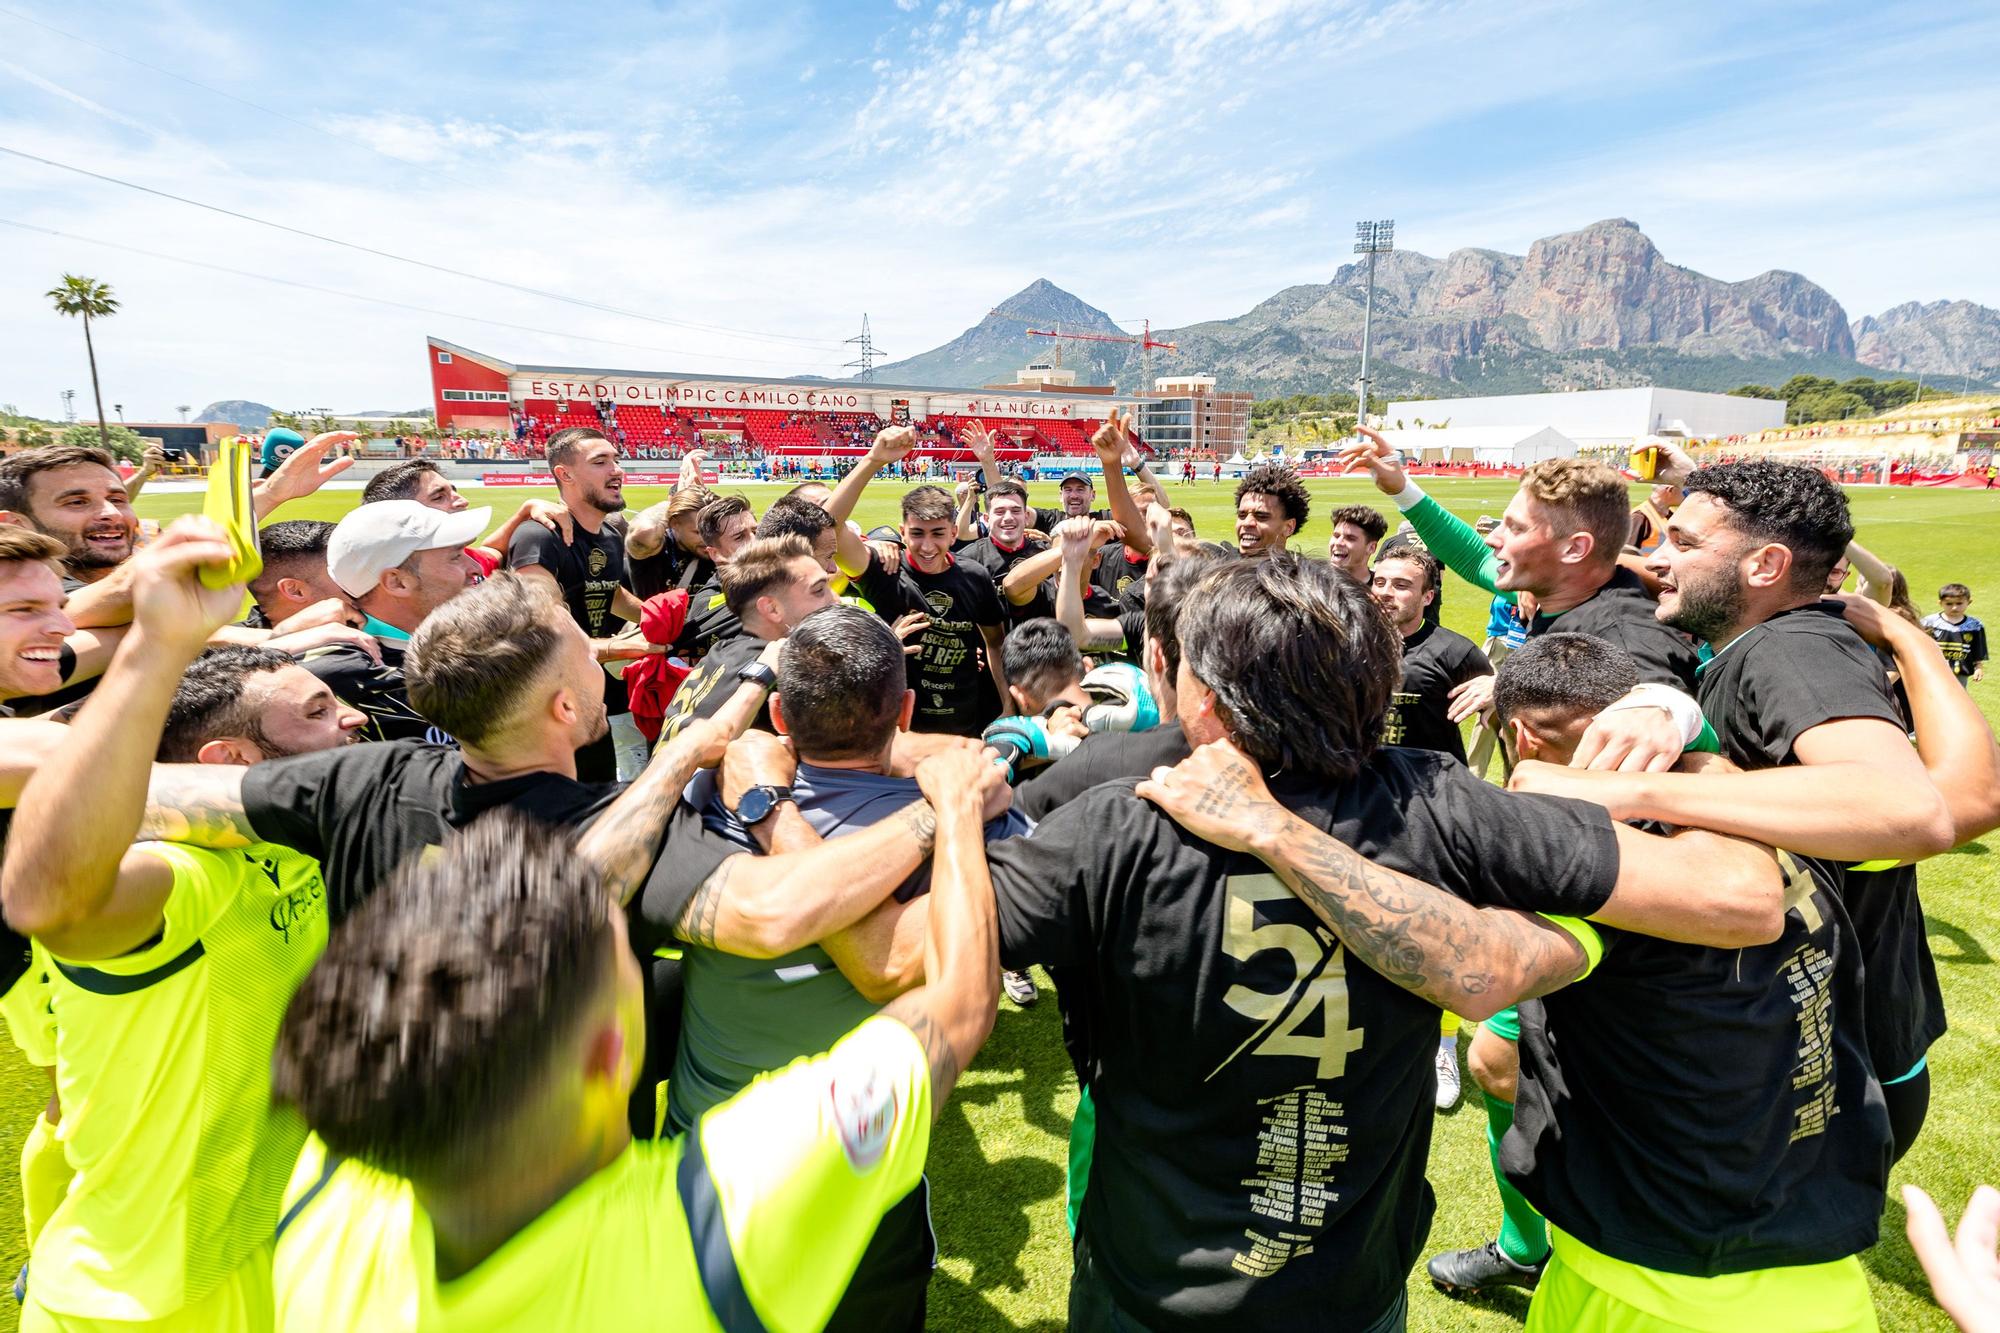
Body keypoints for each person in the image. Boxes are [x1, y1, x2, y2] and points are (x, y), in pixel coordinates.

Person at [884, 555, 1783, 1330]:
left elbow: (891, 952)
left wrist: (949, 814)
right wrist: (1682, 727)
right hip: (1342, 1288)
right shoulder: (1434, 797)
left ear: (1205, 699)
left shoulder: (1121, 824)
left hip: (1159, 1287)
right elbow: (1744, 893)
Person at [266, 738, 1006, 1333]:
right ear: (609, 1053)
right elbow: (961, 1001)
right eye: (625, 950)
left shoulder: (330, 1192)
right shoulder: (720, 1212)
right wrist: (957, 810)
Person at [1513, 461, 1971, 1163]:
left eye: (1686, 544)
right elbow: (1970, 798)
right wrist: (1909, 639)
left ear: (1766, 564)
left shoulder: (1789, 649)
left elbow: (1913, 808)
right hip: (1852, 1036)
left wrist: (1636, 790)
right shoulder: (1766, 641)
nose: (1659, 557)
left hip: (1821, 1061)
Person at [1432, 631, 1884, 1330]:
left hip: (1660, 1276)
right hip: (1813, 1248)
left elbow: (1484, 1002)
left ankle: (1519, 1247)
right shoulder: (1766, 801)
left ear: (1519, 736)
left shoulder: (1602, 868)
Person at [1, 520, 334, 1333]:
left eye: (59, 603)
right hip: (148, 1294)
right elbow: (57, 903)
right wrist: (154, 647)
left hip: (259, 1240)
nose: (64, 623)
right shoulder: (187, 873)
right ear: (229, 762)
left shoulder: (298, 845)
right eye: (25, 609)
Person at [671, 607, 1030, 1329]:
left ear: (778, 711)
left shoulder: (706, 795)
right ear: (903, 709)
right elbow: (890, 959)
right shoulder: (980, 824)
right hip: (855, 1169)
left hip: (702, 1155)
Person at [1339, 429, 1702, 696]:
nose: (1495, 538)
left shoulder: (1623, 638)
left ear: (1575, 550)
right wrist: (1401, 488)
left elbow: (1661, 710)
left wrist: (1668, 712)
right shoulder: (1557, 593)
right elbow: (1469, 555)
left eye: (1515, 528)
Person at [506, 427, 648, 781]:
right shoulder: (539, 536)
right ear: (564, 474)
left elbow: (608, 592)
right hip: (549, 708)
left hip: (590, 701)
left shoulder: (612, 536)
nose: (616, 470)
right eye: (600, 462)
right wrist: (626, 646)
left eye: (616, 460)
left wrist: (664, 620)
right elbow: (542, 628)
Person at [306, 499, 486, 744]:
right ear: (397, 582)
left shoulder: (476, 633)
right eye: (455, 557)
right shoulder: (338, 675)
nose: (476, 568)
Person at [656, 535, 834, 742]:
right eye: (819, 590)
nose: (834, 600)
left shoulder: (721, 653)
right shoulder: (782, 671)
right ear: (772, 609)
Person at [1372, 548, 1493, 765]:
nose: (1385, 592)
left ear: (1427, 597)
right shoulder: (1348, 645)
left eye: (1401, 585)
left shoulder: (1455, 652)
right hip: (1366, 787)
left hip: (1435, 789)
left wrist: (1499, 692)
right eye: (1379, 583)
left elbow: (1509, 712)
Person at [1231, 458, 1310, 558]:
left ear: (1289, 527)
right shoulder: (1218, 567)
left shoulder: (1306, 572)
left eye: (1261, 516)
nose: (1247, 523)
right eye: (1242, 515)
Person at [1924, 581, 1987, 684]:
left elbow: (1977, 649)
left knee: (1956, 698)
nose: (1954, 607)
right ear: (1940, 603)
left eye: (1959, 603)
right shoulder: (1929, 622)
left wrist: (1978, 667)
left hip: (1960, 672)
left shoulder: (1974, 625)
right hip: (1933, 669)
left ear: (1969, 602)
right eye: (1949, 604)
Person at [1327, 503, 1387, 582]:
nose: (1338, 542)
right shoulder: (1313, 584)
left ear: (1371, 547)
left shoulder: (1380, 590)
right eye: (1336, 536)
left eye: (1350, 538)